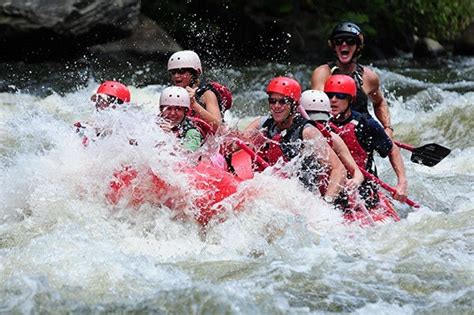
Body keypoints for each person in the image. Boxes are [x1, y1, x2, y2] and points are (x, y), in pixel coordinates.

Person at [244, 76, 347, 202]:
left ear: (293, 104)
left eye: (282, 101)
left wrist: (327, 202)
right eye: (272, 101)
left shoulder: (308, 132)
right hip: (272, 192)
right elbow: (238, 142)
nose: (276, 106)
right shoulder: (263, 123)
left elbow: (339, 169)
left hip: (301, 198)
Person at [324, 74, 407, 207]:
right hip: (331, 183)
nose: (333, 100)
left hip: (362, 187)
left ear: (350, 99)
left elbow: (392, 150)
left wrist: (402, 183)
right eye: (329, 95)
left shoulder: (365, 124)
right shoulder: (321, 122)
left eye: (340, 96)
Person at [310, 21, 394, 138]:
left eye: (350, 41)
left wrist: (387, 128)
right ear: (333, 46)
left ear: (358, 47)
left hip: (362, 137)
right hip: (332, 135)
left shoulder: (369, 77)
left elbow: (379, 102)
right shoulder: (322, 73)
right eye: (339, 41)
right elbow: (315, 108)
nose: (344, 45)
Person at [299, 89, 364, 193]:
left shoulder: (333, 138)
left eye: (322, 121)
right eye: (314, 121)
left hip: (328, 190)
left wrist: (355, 181)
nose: (319, 125)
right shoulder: (294, 135)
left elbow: (357, 172)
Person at [167, 50, 223, 132]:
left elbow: (219, 128)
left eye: (181, 71)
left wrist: (194, 104)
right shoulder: (172, 94)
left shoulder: (207, 94)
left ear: (194, 73)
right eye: (173, 72)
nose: (176, 76)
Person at [75, 80, 131, 146]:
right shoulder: (89, 125)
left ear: (115, 106)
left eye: (102, 101)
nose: (97, 104)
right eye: (97, 100)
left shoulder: (128, 131)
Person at [158, 86, 204, 152]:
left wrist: (170, 137)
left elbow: (187, 154)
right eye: (168, 108)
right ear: (161, 110)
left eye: (178, 109)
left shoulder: (192, 132)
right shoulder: (152, 126)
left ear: (186, 111)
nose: (173, 113)